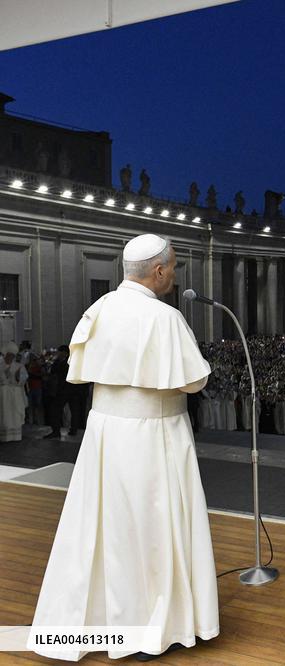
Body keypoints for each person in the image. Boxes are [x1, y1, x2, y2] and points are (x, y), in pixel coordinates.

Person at [31, 234, 219, 661]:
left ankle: (100, 622)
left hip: (105, 436)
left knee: (102, 526)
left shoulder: (98, 310)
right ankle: (154, 624)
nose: (173, 275)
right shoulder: (165, 318)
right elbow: (194, 380)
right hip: (156, 435)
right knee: (154, 527)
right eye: (172, 268)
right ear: (158, 271)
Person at [0, 341, 26, 441]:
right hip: (2, 394)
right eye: (8, 355)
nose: (10, 357)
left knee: (14, 414)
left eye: (12, 356)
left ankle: (15, 436)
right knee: (4, 414)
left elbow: (23, 379)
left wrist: (17, 377)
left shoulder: (19, 366)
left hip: (15, 395)